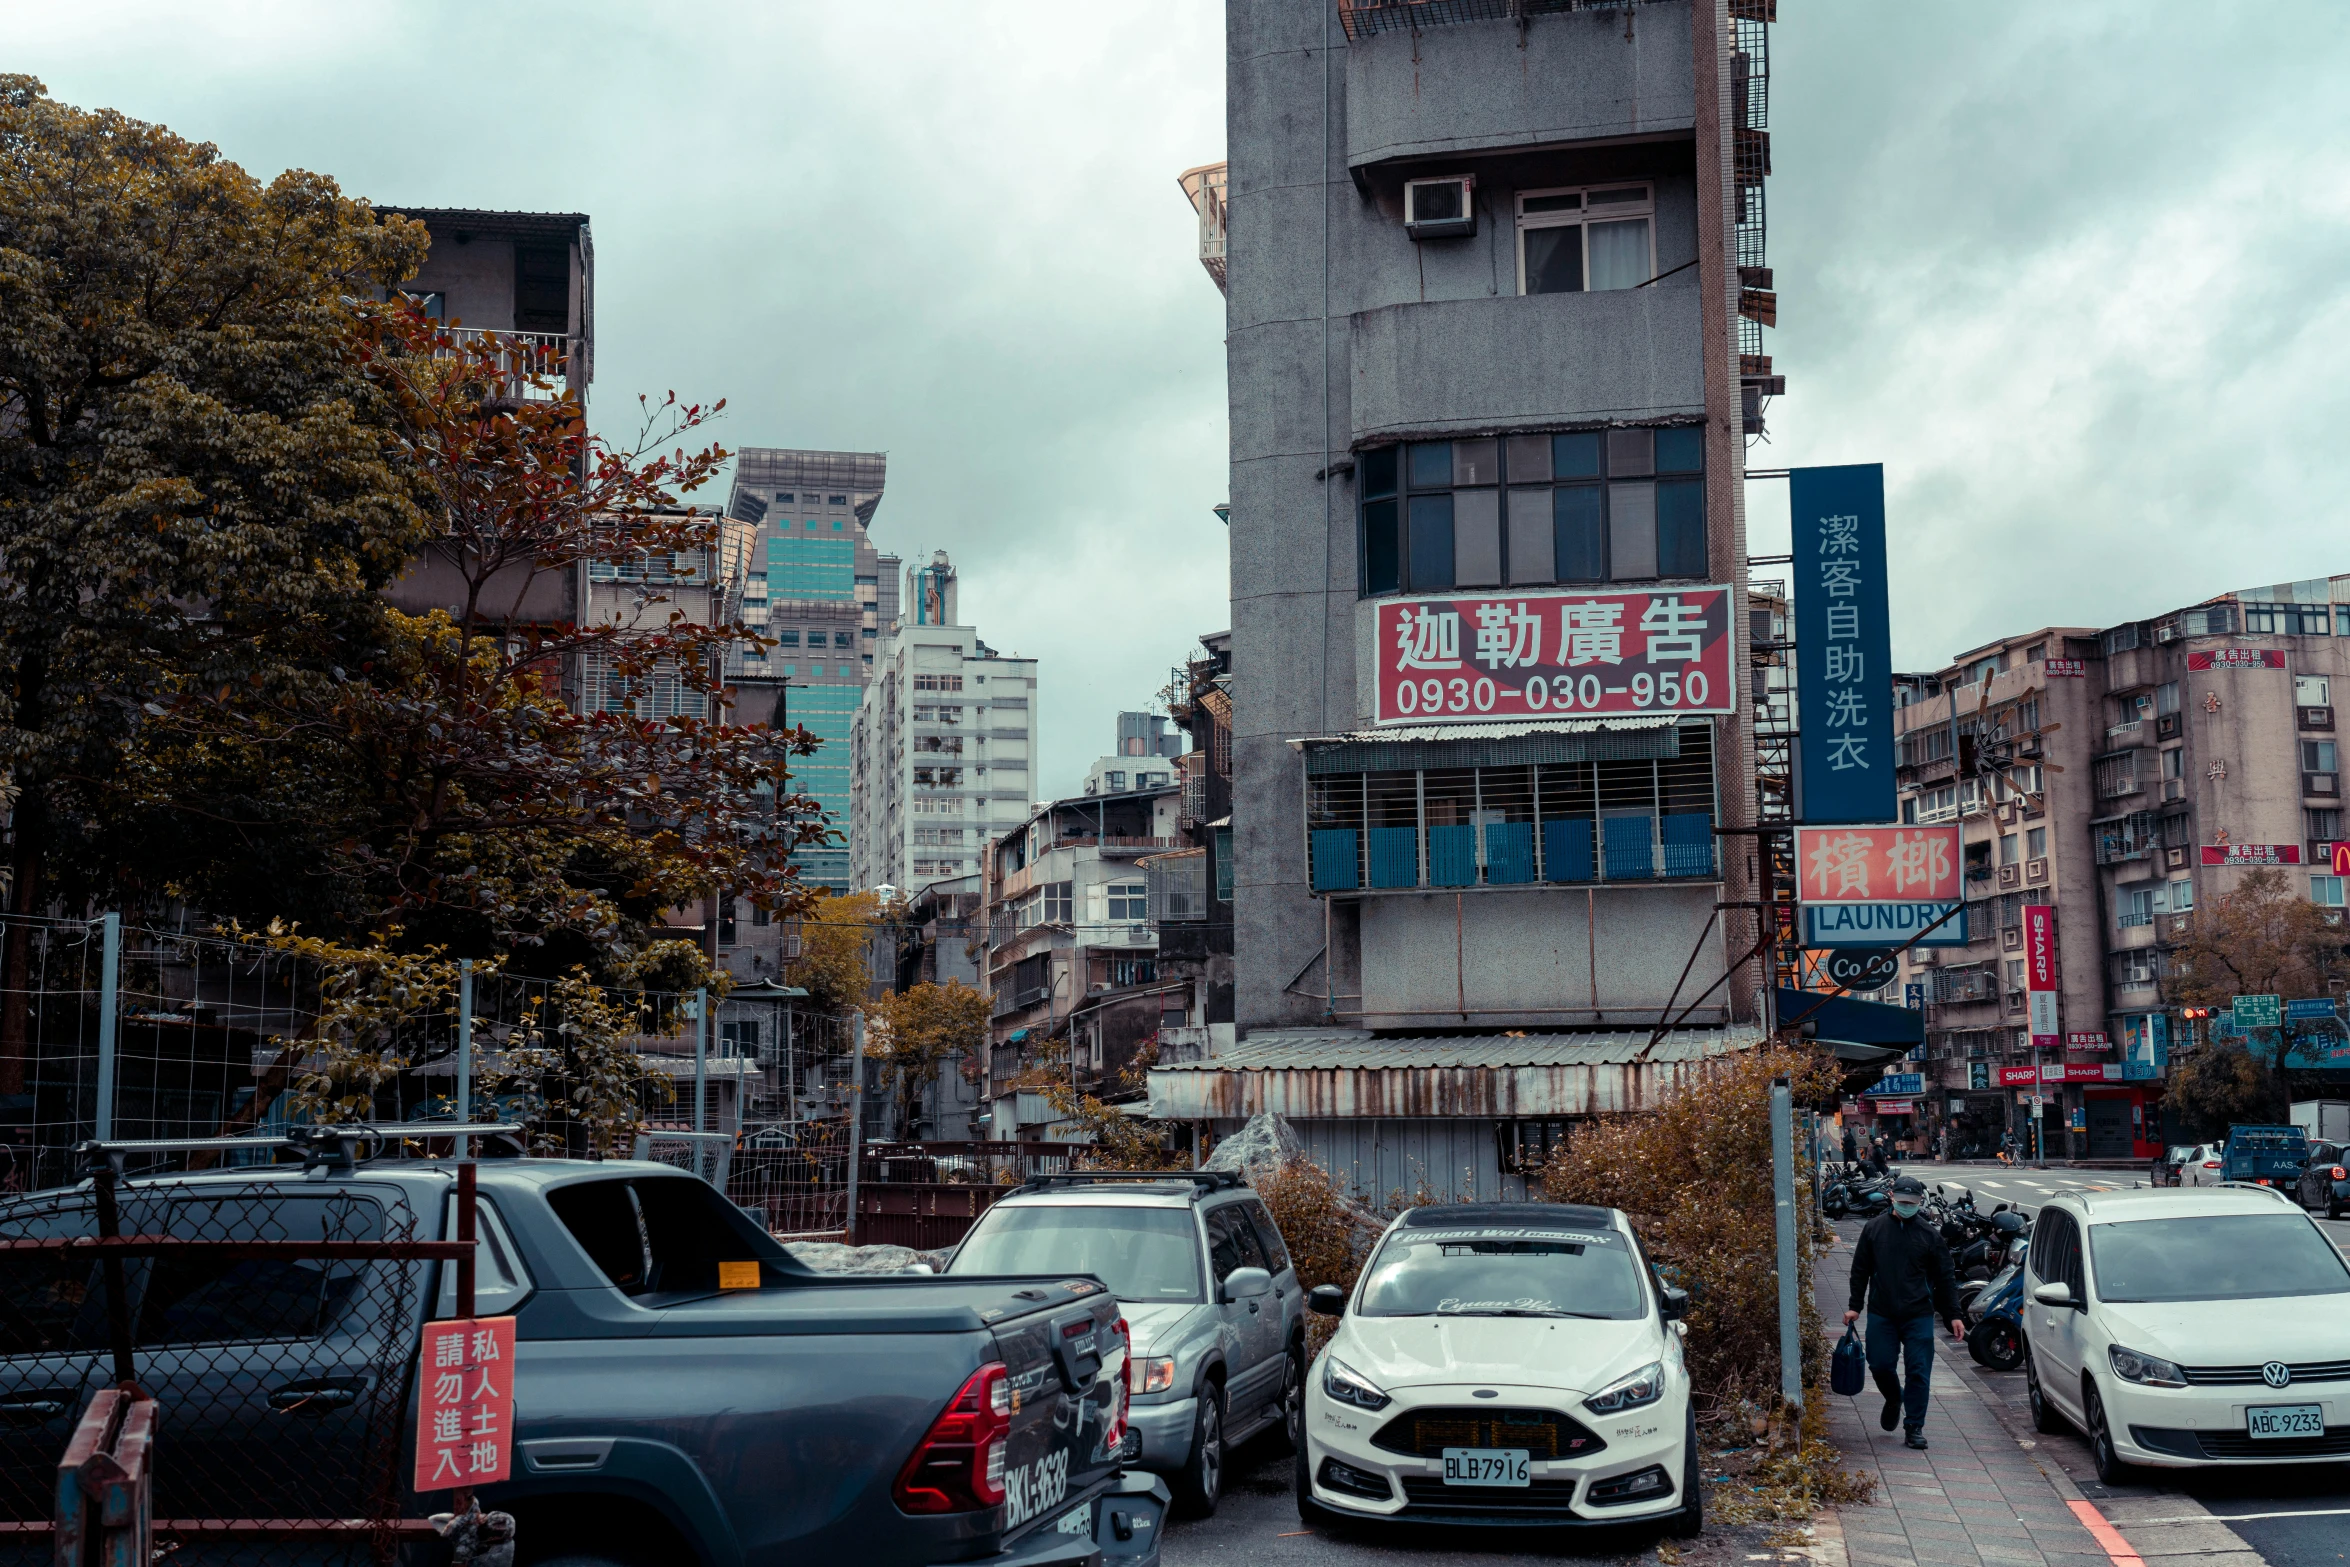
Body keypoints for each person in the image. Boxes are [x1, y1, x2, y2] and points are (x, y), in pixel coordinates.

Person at [1844, 1174, 1966, 1450]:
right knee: (1880, 1364)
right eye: (1902, 1201)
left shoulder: (1929, 1236)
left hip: (1918, 1313)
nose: (1906, 1206)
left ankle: (1914, 1427)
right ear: (1892, 1197)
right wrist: (1854, 1306)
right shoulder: (1874, 1229)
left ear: (1919, 1202)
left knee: (1919, 1371)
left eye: (1911, 1202)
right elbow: (1860, 1270)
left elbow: (1946, 1277)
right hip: (1881, 1311)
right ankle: (1893, 1397)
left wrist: (1953, 1315)